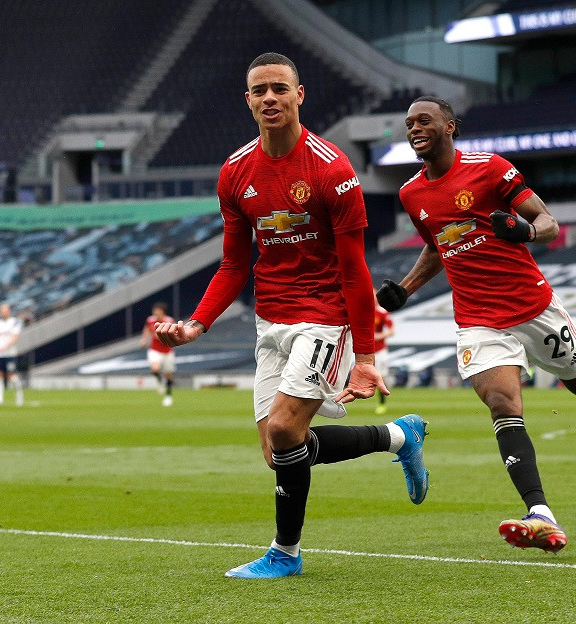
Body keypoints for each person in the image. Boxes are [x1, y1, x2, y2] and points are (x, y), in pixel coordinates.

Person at [154, 53, 429, 579]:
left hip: (324, 317)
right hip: (270, 321)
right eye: (260, 91)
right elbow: (235, 263)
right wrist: (197, 323)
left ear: (299, 95)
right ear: (249, 101)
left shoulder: (333, 170)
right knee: (279, 449)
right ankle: (399, 437)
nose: (270, 98)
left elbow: (355, 270)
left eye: (280, 88)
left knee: (284, 430)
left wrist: (366, 356)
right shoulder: (235, 172)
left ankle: (285, 552)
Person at [377, 96, 576, 554]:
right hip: (478, 319)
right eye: (409, 123)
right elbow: (438, 247)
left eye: (425, 121)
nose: (415, 128)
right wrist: (407, 289)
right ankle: (541, 514)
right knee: (501, 402)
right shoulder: (411, 193)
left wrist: (525, 232)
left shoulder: (490, 169)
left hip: (533, 307)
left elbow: (548, 222)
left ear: (450, 126)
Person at [140, 302, 176, 406]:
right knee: (155, 368)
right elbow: (147, 328)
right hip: (154, 349)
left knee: (168, 374)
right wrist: (144, 339)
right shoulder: (150, 320)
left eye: (158, 311)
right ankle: (159, 380)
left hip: (167, 350)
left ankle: (168, 395)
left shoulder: (169, 321)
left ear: (163, 312)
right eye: (155, 310)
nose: (156, 313)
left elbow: (173, 334)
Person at [0, 303, 24, 407]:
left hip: (10, 353)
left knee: (11, 376)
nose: (4, 312)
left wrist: (5, 347)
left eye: (5, 310)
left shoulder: (14, 322)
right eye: (2, 310)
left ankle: (19, 395)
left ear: (9, 311)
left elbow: (15, 337)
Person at [373, 302, 395, 414]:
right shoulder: (361, 310)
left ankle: (382, 403)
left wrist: (379, 336)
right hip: (364, 350)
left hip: (380, 351)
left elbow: (392, 331)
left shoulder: (382, 312)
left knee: (381, 377)